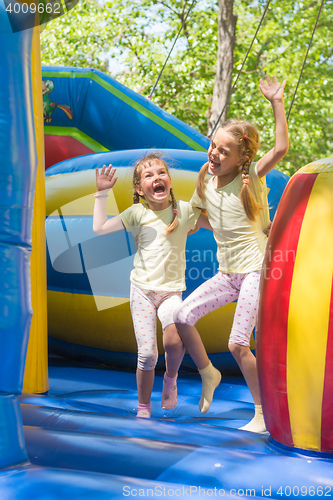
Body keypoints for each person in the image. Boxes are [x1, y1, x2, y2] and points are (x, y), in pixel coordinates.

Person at [173, 75, 289, 432]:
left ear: (241, 158)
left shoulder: (250, 176)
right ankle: (209, 372)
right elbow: (203, 220)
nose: (215, 154)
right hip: (228, 275)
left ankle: (262, 414)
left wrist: (276, 102)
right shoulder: (204, 179)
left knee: (238, 343)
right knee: (181, 315)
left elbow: (281, 149)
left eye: (225, 151)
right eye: (213, 146)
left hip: (256, 271)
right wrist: (185, 224)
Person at [93, 152, 212, 418]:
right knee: (147, 354)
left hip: (171, 292)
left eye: (161, 173)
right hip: (143, 292)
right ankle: (144, 407)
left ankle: (170, 377)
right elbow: (99, 227)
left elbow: (216, 226)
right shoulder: (137, 213)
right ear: (139, 189)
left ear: (169, 181)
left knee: (174, 342)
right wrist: (101, 193)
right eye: (148, 175)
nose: (156, 178)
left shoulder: (183, 210)